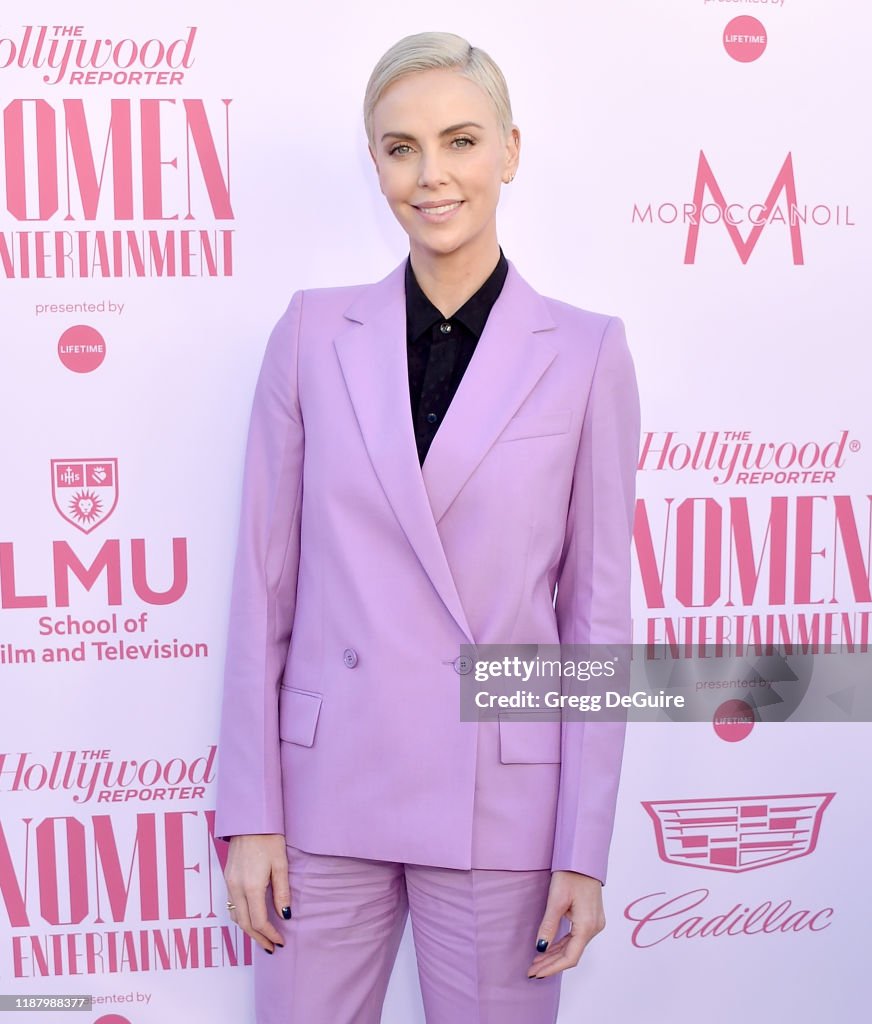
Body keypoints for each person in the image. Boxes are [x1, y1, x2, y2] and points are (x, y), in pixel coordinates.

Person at [215, 30, 640, 1024]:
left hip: (497, 798)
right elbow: (262, 588)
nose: (431, 174)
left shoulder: (584, 352)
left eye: (459, 140)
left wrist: (582, 846)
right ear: (374, 165)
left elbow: (594, 619)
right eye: (400, 147)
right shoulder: (312, 334)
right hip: (324, 797)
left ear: (509, 151)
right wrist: (250, 813)